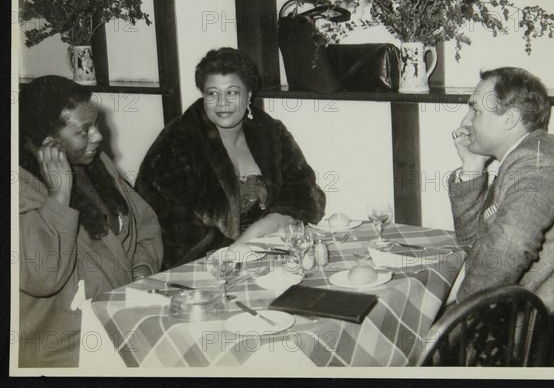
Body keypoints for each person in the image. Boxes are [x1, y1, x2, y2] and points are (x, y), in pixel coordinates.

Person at [18, 76, 163, 367]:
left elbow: (145, 226)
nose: (98, 136)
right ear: (48, 142)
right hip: (67, 349)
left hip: (120, 321)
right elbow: (42, 275)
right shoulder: (20, 188)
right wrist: (59, 195)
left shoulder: (97, 164)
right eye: (84, 130)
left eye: (95, 124)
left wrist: (142, 269)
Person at [135, 47, 326, 269]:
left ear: (249, 96)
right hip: (202, 267)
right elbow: (168, 226)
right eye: (212, 93)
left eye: (232, 92)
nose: (222, 103)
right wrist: (233, 251)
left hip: (268, 253)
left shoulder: (271, 133)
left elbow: (305, 195)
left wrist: (255, 234)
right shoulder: (176, 143)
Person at [448, 67, 554, 312]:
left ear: (509, 119)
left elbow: (509, 248)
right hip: (511, 313)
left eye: (475, 110)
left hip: (526, 329)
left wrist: (459, 313)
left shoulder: (538, 162)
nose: (465, 122)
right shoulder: (526, 155)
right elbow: (472, 245)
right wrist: (472, 166)